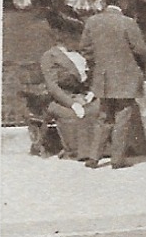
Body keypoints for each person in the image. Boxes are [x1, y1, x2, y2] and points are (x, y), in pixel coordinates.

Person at [78, 0, 146, 169]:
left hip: (103, 78)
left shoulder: (92, 22)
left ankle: (93, 157)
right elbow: (140, 49)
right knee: (122, 117)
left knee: (104, 116)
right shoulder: (128, 23)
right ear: (122, 1)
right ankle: (117, 159)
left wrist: (100, 61)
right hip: (125, 78)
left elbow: (85, 48)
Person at [37, 18, 104, 159]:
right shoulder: (49, 56)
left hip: (83, 96)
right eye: (74, 35)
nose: (77, 40)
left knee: (102, 109)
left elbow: (93, 77)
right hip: (60, 100)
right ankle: (80, 152)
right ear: (62, 36)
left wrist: (92, 93)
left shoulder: (80, 55)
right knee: (79, 114)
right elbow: (53, 87)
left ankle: (100, 151)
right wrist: (72, 104)